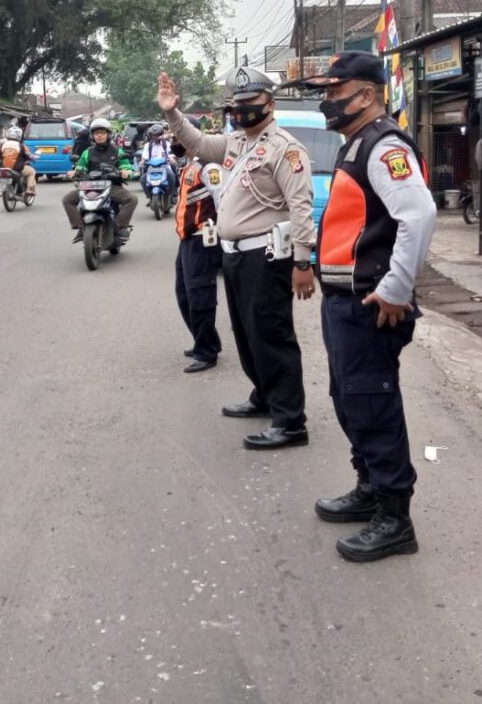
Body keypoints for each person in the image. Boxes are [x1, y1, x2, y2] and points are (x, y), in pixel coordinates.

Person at [300, 51, 437, 563]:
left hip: (372, 304)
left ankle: (395, 517)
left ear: (367, 94)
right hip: (345, 302)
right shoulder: (355, 145)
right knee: (350, 399)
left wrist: (398, 288)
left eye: (335, 91)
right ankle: (369, 488)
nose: (327, 101)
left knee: (373, 404)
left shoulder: (382, 146)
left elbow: (419, 216)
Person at [158, 67, 316, 451]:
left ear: (270, 104)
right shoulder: (235, 144)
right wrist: (171, 113)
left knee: (272, 335)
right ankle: (264, 395)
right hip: (235, 257)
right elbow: (195, 143)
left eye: (250, 104)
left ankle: (290, 421)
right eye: (236, 106)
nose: (242, 112)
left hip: (267, 256)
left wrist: (302, 263)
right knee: (246, 333)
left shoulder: (286, 149)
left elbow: (301, 209)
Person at [172, 140, 223, 374]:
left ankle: (207, 351)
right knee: (184, 293)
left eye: (180, 137)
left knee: (200, 295)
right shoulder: (191, 164)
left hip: (202, 238)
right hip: (187, 238)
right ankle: (205, 340)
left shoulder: (210, 166)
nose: (176, 142)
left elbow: (222, 200)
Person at [62, 117, 136, 243]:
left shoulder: (117, 151)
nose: (99, 136)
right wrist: (75, 172)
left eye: (102, 133)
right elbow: (81, 166)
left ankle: (120, 227)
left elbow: (126, 166)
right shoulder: (88, 152)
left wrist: (126, 171)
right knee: (67, 199)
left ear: (108, 134)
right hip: (89, 186)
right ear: (92, 136)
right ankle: (80, 226)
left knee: (132, 199)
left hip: (111, 186)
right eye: (96, 133)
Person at [138, 122, 176, 192]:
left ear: (161, 135)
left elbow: (171, 155)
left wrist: (171, 159)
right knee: (143, 179)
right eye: (153, 135)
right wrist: (142, 162)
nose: (155, 137)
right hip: (151, 169)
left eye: (157, 135)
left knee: (172, 175)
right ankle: (149, 195)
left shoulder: (167, 144)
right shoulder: (147, 145)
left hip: (165, 168)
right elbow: (144, 157)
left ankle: (172, 193)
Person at [0, 126, 38, 193]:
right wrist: (33, 157)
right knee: (32, 172)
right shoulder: (21, 145)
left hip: (5, 168)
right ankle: (29, 189)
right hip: (17, 169)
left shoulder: (3, 144)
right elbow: (27, 155)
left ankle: (3, 190)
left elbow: (0, 155)